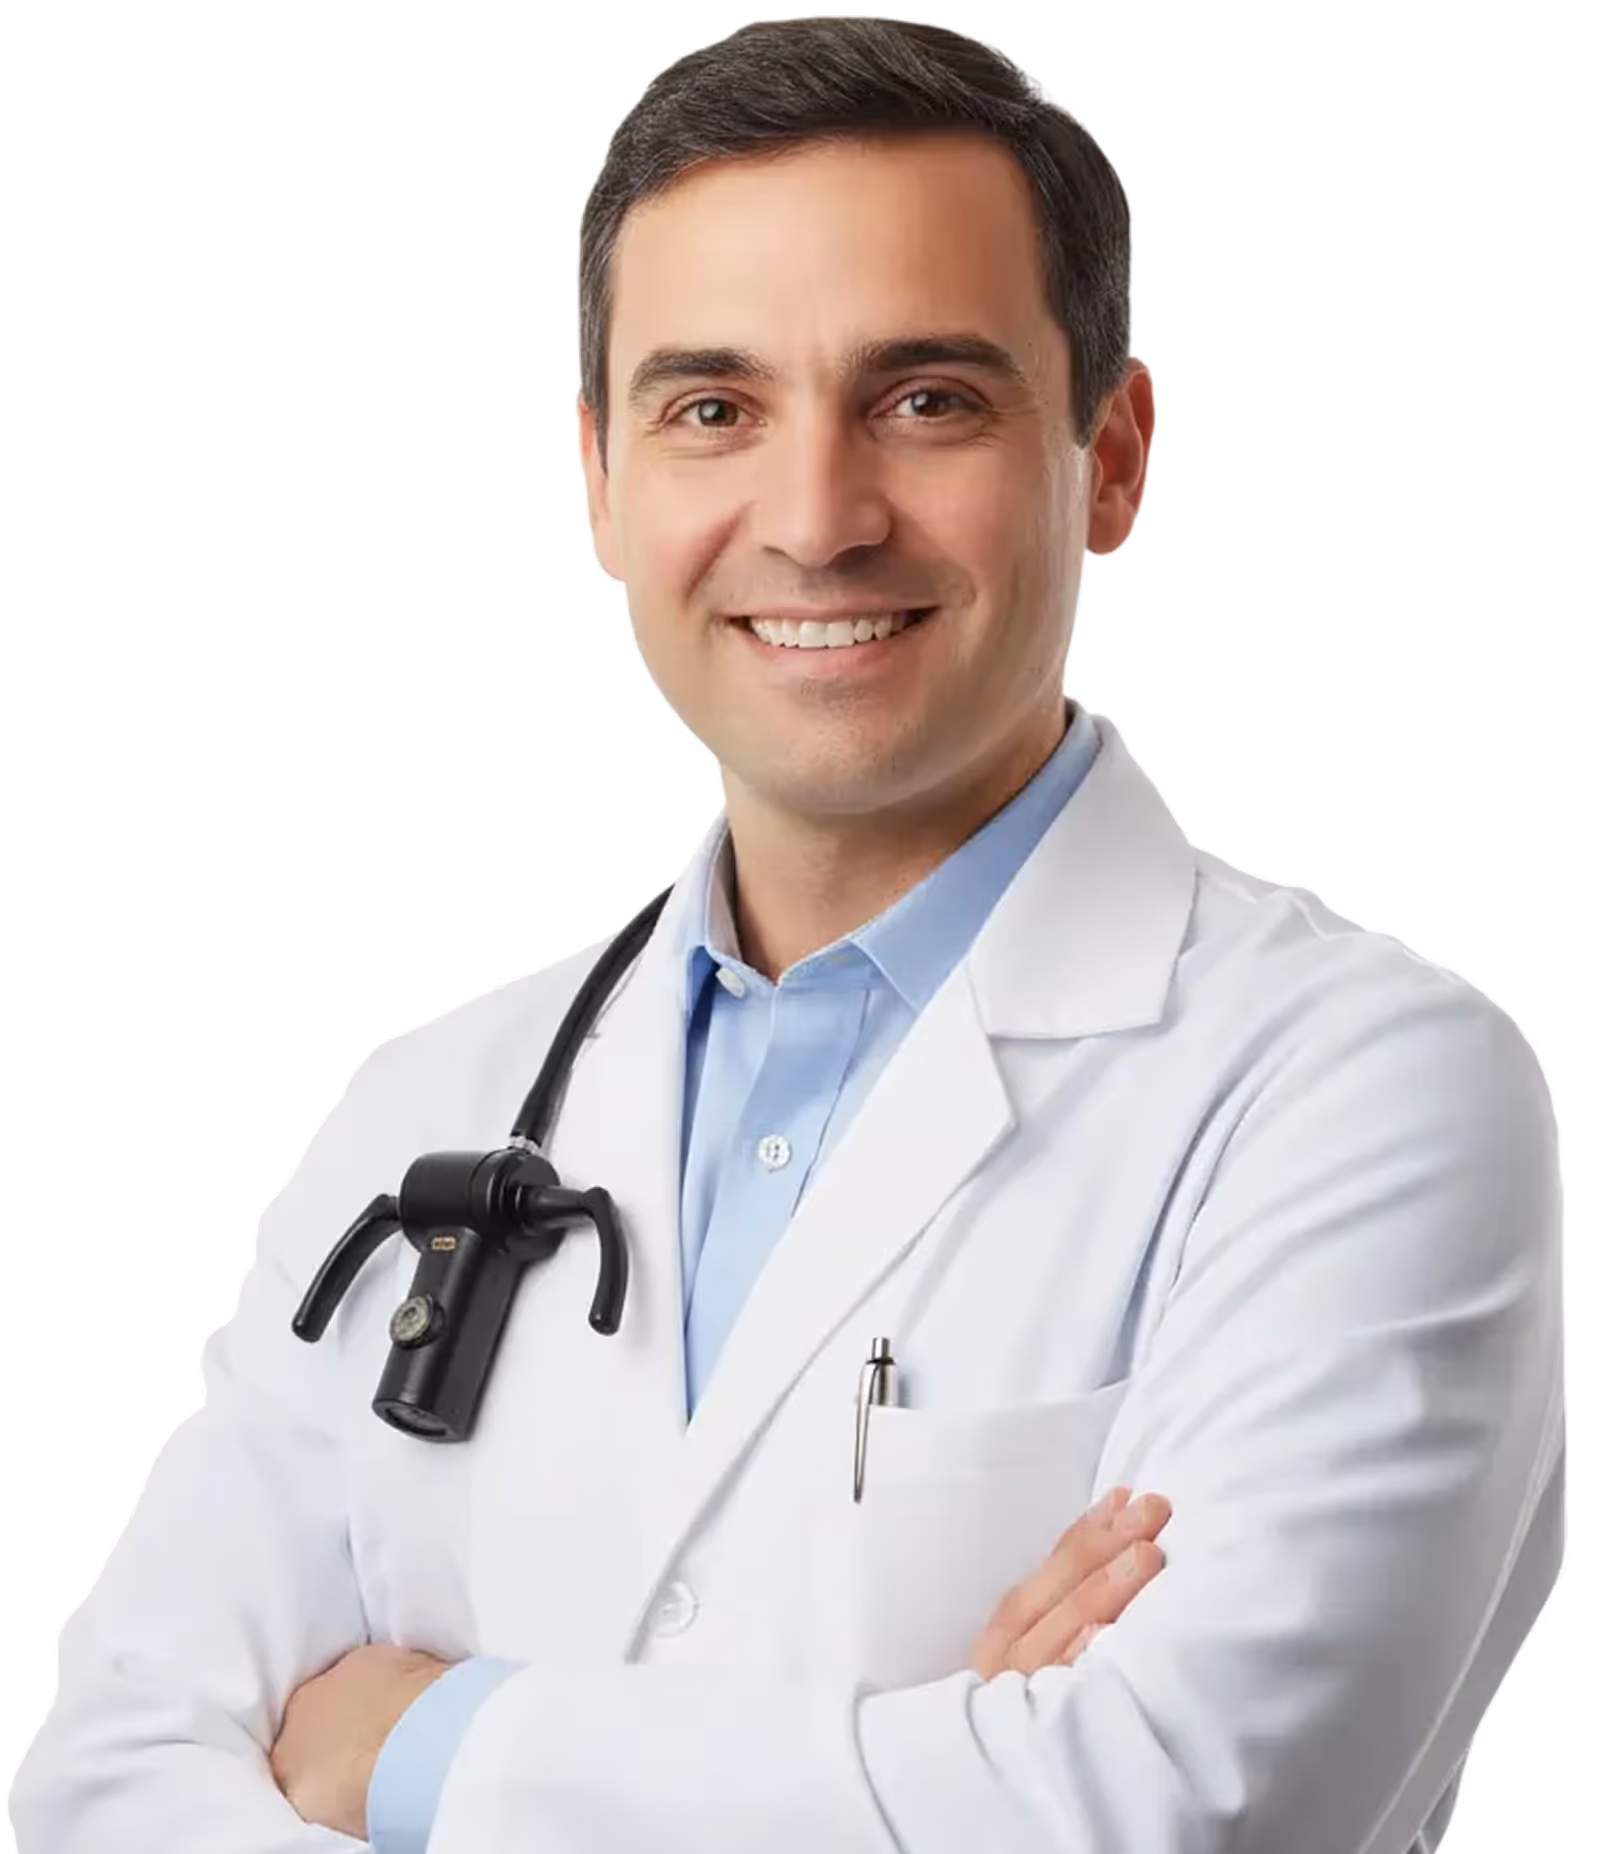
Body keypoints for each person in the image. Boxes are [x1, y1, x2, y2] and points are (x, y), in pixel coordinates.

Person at [9, 17, 1565, 1852]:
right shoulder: (427, 1098)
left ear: (1116, 454)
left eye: (928, 399)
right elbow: (104, 1783)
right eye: (712, 409)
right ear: (601, 479)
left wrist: (419, 1749)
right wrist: (935, 1752)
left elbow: (1164, 1807)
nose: (816, 519)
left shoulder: (1368, 1091)